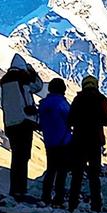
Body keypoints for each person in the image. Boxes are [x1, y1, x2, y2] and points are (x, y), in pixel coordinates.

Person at [0, 54, 43, 199]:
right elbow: (38, 86)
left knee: (16, 156)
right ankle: (21, 189)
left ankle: (14, 189)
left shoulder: (4, 81)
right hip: (24, 123)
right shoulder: (23, 80)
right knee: (23, 157)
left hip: (10, 124)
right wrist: (32, 72)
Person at [68, 75, 107, 212]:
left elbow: (70, 120)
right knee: (94, 175)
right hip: (95, 141)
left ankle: (72, 205)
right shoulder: (101, 100)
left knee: (77, 174)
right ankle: (96, 206)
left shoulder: (77, 99)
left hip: (78, 141)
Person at [38, 78, 72, 206]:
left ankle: (45, 197)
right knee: (62, 171)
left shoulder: (44, 103)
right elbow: (70, 119)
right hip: (63, 141)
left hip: (49, 141)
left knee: (51, 169)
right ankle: (58, 198)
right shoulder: (62, 103)